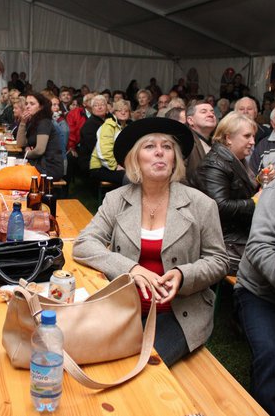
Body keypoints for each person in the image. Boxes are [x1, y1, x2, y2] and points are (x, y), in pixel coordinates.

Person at [73, 118, 229, 367]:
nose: (160, 152)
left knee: (142, 367)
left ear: (175, 159)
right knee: (84, 354)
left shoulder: (201, 204)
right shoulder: (117, 199)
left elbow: (219, 260)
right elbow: (84, 244)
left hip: (178, 313)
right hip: (123, 307)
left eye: (167, 147)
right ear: (135, 159)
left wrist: (183, 274)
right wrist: (130, 269)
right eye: (149, 146)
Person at [189, 112, 274, 272]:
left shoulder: (235, 159)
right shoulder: (214, 164)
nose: (252, 142)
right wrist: (255, 202)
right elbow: (219, 207)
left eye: (253, 136)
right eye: (247, 136)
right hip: (228, 245)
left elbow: (238, 189)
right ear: (228, 138)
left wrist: (260, 180)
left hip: (238, 237)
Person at [17, 92, 64, 179]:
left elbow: (39, 150)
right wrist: (23, 122)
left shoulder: (44, 122)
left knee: (14, 172)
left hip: (48, 167)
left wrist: (26, 153)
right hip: (38, 163)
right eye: (26, 103)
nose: (27, 106)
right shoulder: (33, 121)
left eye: (32, 104)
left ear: (41, 107)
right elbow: (20, 144)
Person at [89, 99, 131, 185]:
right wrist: (115, 166)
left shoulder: (126, 127)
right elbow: (104, 151)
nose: (123, 113)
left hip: (118, 165)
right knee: (130, 178)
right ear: (114, 112)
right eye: (120, 110)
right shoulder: (109, 126)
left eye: (126, 111)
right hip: (100, 167)